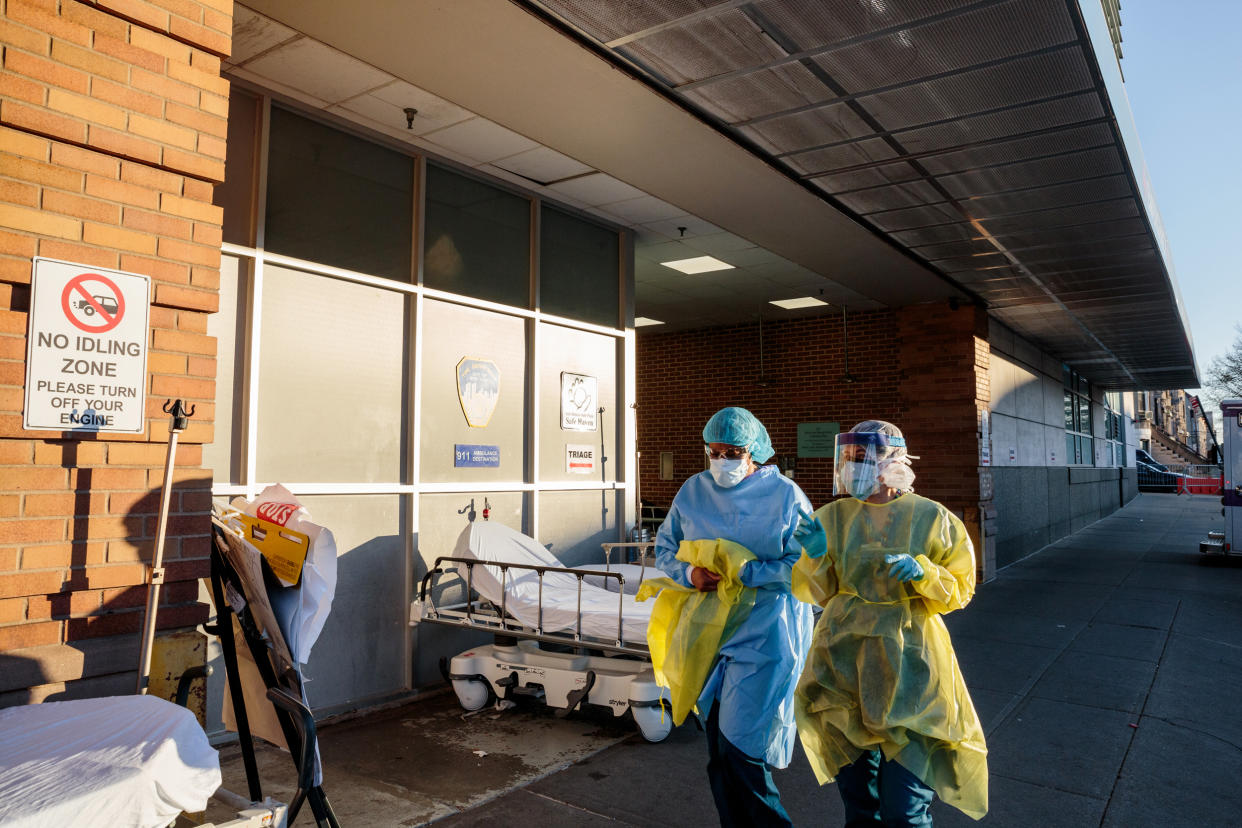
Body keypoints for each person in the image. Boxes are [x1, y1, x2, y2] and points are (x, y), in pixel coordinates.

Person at [792, 420, 989, 825]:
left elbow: (961, 589)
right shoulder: (831, 518)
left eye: (862, 459)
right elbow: (820, 591)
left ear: (892, 462)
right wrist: (814, 554)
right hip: (844, 670)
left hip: (913, 671)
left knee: (905, 811)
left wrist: (925, 574)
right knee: (860, 806)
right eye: (848, 459)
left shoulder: (932, 518)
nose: (852, 468)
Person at [651, 406, 815, 827]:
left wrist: (749, 572)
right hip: (708, 632)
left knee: (741, 752)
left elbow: (807, 564)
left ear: (754, 451)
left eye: (733, 451)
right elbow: (665, 547)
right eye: (715, 451)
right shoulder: (692, 490)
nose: (723, 460)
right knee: (719, 756)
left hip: (764, 634)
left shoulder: (784, 496)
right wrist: (689, 573)